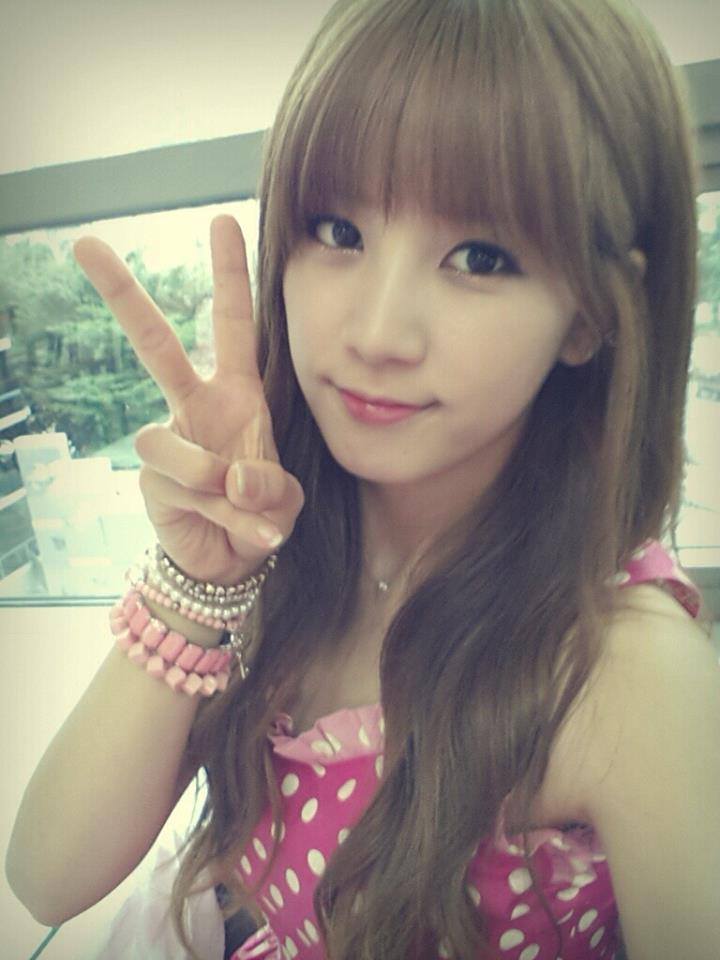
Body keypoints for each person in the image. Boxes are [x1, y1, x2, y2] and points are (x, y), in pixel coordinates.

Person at [6, 0, 720, 957]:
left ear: (589, 315)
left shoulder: (623, 673)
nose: (378, 333)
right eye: (339, 230)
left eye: (480, 256)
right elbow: (48, 874)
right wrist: (197, 582)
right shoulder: (282, 555)